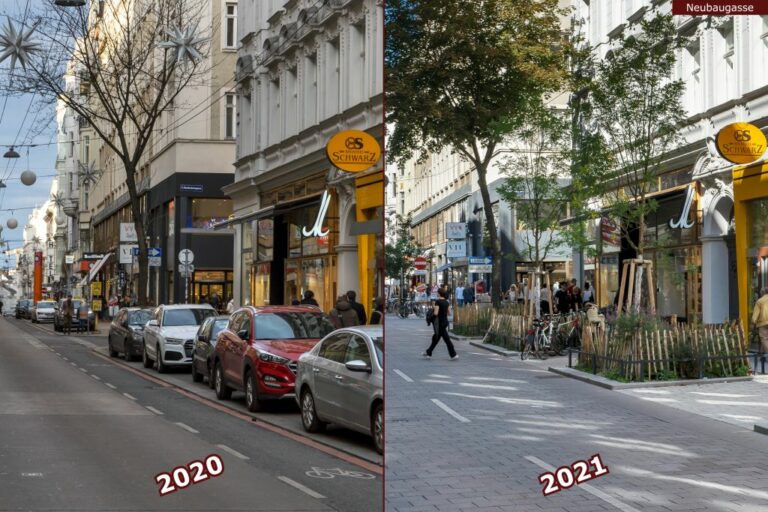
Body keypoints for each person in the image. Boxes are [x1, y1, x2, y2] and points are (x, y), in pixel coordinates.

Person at [422, 288, 458, 360]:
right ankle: (429, 352)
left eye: (437, 293)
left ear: (439, 293)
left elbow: (436, 313)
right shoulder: (447, 302)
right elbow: (449, 313)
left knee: (445, 339)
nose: (437, 294)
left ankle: (453, 354)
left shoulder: (438, 302)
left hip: (439, 323)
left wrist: (432, 312)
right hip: (445, 322)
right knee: (436, 338)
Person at [752, 287, 768, 354]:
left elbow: (755, 315)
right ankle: (762, 355)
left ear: (762, 293)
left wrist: (753, 322)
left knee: (764, 339)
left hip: (763, 323)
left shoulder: (760, 301)